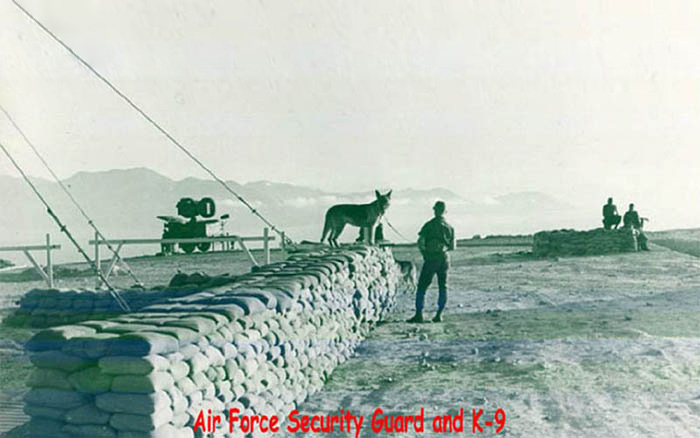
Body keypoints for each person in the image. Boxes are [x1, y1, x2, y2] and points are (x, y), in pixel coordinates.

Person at [407, 201, 455, 323]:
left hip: (431, 259)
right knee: (443, 287)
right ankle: (439, 315)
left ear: (434, 210)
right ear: (445, 211)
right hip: (444, 259)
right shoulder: (450, 227)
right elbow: (453, 246)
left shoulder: (429, 225)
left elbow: (421, 242)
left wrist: (425, 254)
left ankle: (419, 315)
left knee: (422, 286)